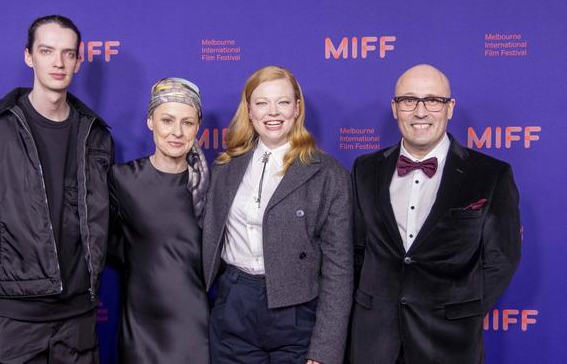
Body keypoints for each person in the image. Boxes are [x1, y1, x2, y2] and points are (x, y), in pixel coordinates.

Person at [0, 15, 113, 364]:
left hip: (79, 321)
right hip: (16, 323)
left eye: (68, 53)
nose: (58, 62)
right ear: (29, 56)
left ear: (79, 61)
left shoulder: (96, 135)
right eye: (47, 50)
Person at [347, 64, 521, 364]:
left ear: (450, 107)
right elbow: (356, 252)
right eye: (409, 100)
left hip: (449, 342)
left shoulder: (490, 174)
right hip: (374, 342)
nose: (420, 111)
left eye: (433, 100)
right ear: (395, 108)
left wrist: (460, 310)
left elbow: (501, 259)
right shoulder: (365, 169)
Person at [202, 65, 352, 364]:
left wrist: (325, 351)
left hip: (297, 312)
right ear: (249, 109)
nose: (273, 112)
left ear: (297, 108)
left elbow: (339, 268)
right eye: (262, 103)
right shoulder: (224, 166)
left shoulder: (327, 173)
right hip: (234, 301)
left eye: (283, 102)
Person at [108, 78, 210, 363]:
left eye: (187, 123)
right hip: (141, 330)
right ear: (150, 121)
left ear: (197, 127)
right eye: (167, 120)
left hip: (195, 330)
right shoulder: (121, 180)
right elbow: (103, 241)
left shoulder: (210, 184)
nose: (177, 132)